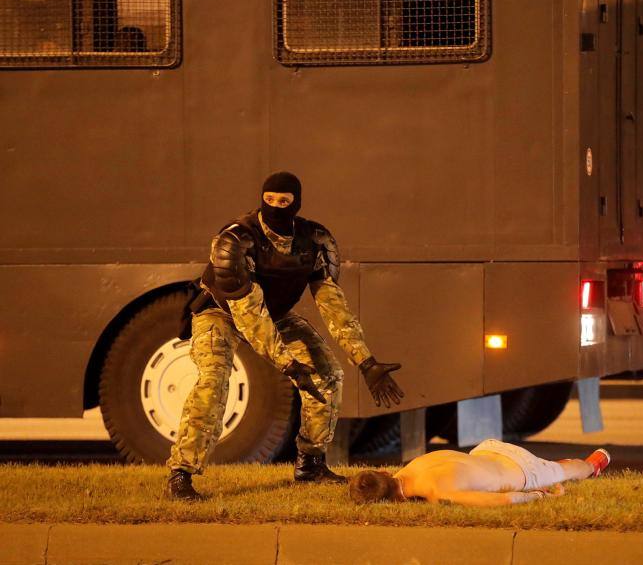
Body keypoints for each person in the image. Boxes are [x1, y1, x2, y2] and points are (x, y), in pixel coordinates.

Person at [166, 171, 405, 500]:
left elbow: (333, 305)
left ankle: (311, 464)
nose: (277, 206)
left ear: (297, 202)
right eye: (270, 200)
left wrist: (366, 361)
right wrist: (288, 364)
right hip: (219, 313)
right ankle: (181, 474)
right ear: (261, 199)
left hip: (274, 315)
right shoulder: (235, 239)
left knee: (327, 374)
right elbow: (248, 314)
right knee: (214, 380)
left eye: (284, 201)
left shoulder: (314, 241)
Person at [349, 440, 610, 506]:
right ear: (384, 471)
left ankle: (594, 463)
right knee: (557, 469)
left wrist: (539, 496)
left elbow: (505, 500)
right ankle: (580, 464)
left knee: (566, 471)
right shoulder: (410, 467)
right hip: (486, 449)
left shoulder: (438, 492)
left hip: (521, 471)